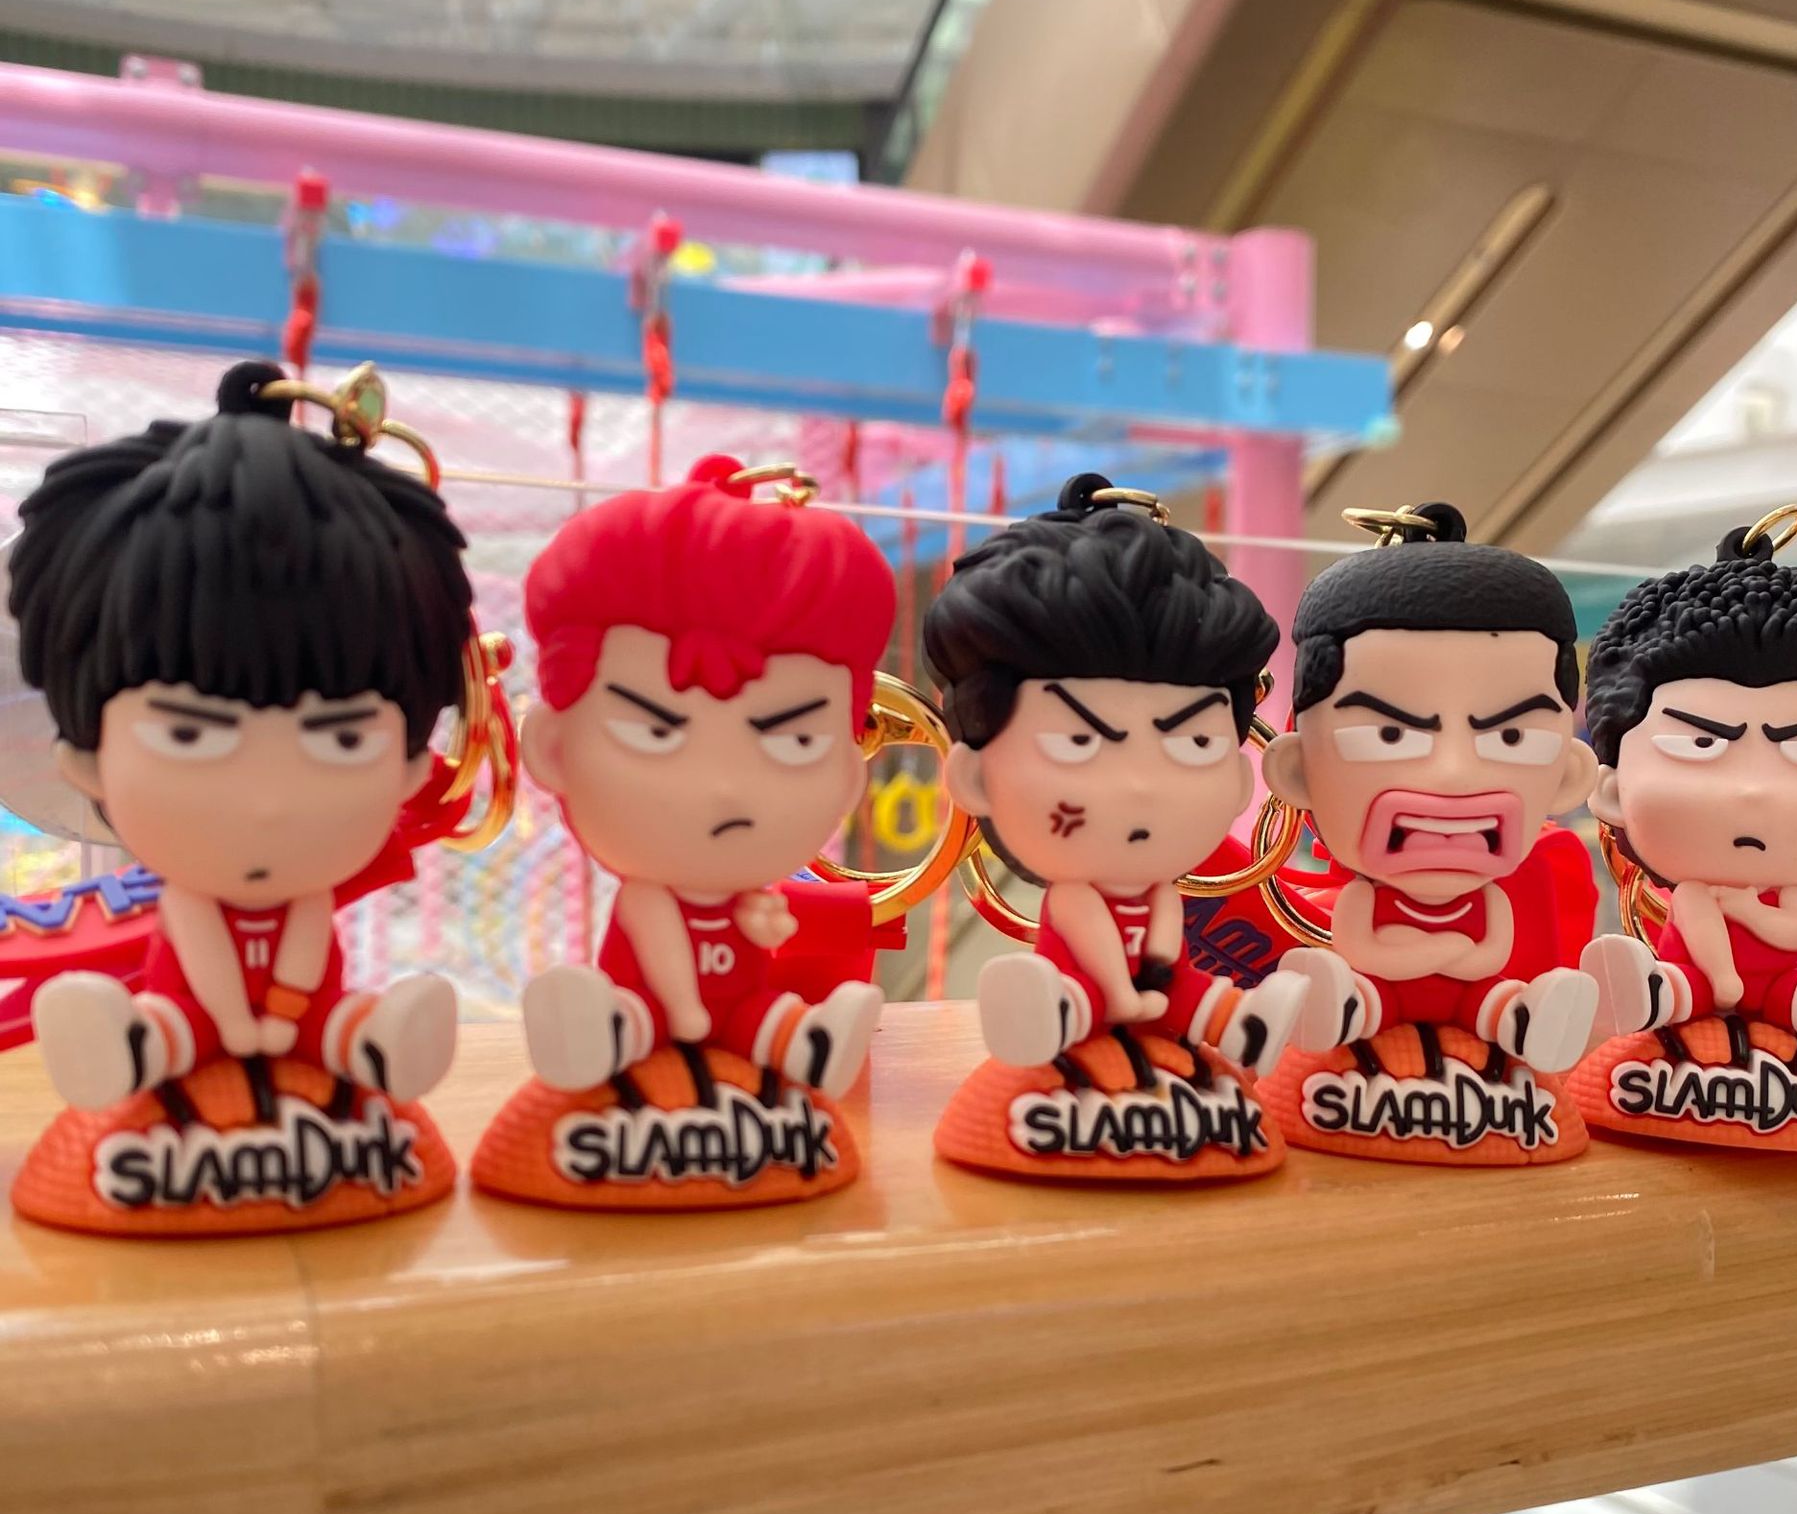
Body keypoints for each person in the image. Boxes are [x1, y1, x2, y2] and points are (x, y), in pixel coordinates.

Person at [10, 359, 471, 1109]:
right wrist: (238, 1024)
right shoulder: (190, 900)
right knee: (173, 1027)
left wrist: (284, 1014)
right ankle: (132, 1048)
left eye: (341, 740)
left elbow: (309, 943)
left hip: (305, 1025)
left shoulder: (307, 896)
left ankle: (377, 1043)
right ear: (87, 763)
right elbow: (201, 956)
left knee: (341, 1024)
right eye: (191, 737)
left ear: (411, 771)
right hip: (198, 1020)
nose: (267, 803)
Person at [518, 456, 892, 1097]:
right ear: (552, 751)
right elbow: (660, 943)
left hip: (740, 1010)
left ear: (846, 778)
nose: (724, 788)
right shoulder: (648, 897)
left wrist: (764, 921)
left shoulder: (745, 891)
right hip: (655, 1011)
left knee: (768, 1018)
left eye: (794, 740)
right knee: (635, 1017)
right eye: (655, 732)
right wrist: (686, 1012)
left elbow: (760, 936)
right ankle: (594, 1037)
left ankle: (814, 1045)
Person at [922, 473, 1305, 1076]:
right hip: (1088, 990)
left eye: (1191, 742)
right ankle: (1037, 1020)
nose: (1139, 786)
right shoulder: (1075, 895)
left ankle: (1248, 1026)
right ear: (974, 779)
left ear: (1239, 781)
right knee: (1076, 999)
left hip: (1157, 992)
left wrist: (1158, 972)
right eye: (1079, 742)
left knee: (1200, 997)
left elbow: (1167, 938)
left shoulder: (1160, 890)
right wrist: (1126, 993)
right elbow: (1093, 942)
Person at [1260, 502, 1598, 1072]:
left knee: (1497, 1003)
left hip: (1474, 1009)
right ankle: (1330, 1011)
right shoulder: (1360, 900)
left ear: (1569, 775)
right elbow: (1363, 947)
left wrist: (1449, 959)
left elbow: (1494, 954)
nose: (1453, 775)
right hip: (1380, 1005)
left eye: (1511, 736)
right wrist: (1443, 952)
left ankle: (1531, 1023)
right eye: (1391, 734)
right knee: (1362, 998)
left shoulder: (1511, 887)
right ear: (1298, 769)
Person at [1581, 521, 1797, 1046]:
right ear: (1613, 793)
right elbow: (1700, 934)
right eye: (1699, 743)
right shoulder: (1693, 895)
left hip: (1781, 986)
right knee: (1680, 987)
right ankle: (1648, 993)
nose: (1753, 789)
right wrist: (1725, 981)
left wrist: (1751, 912)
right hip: (1696, 986)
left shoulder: (1786, 897)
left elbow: (1794, 932)